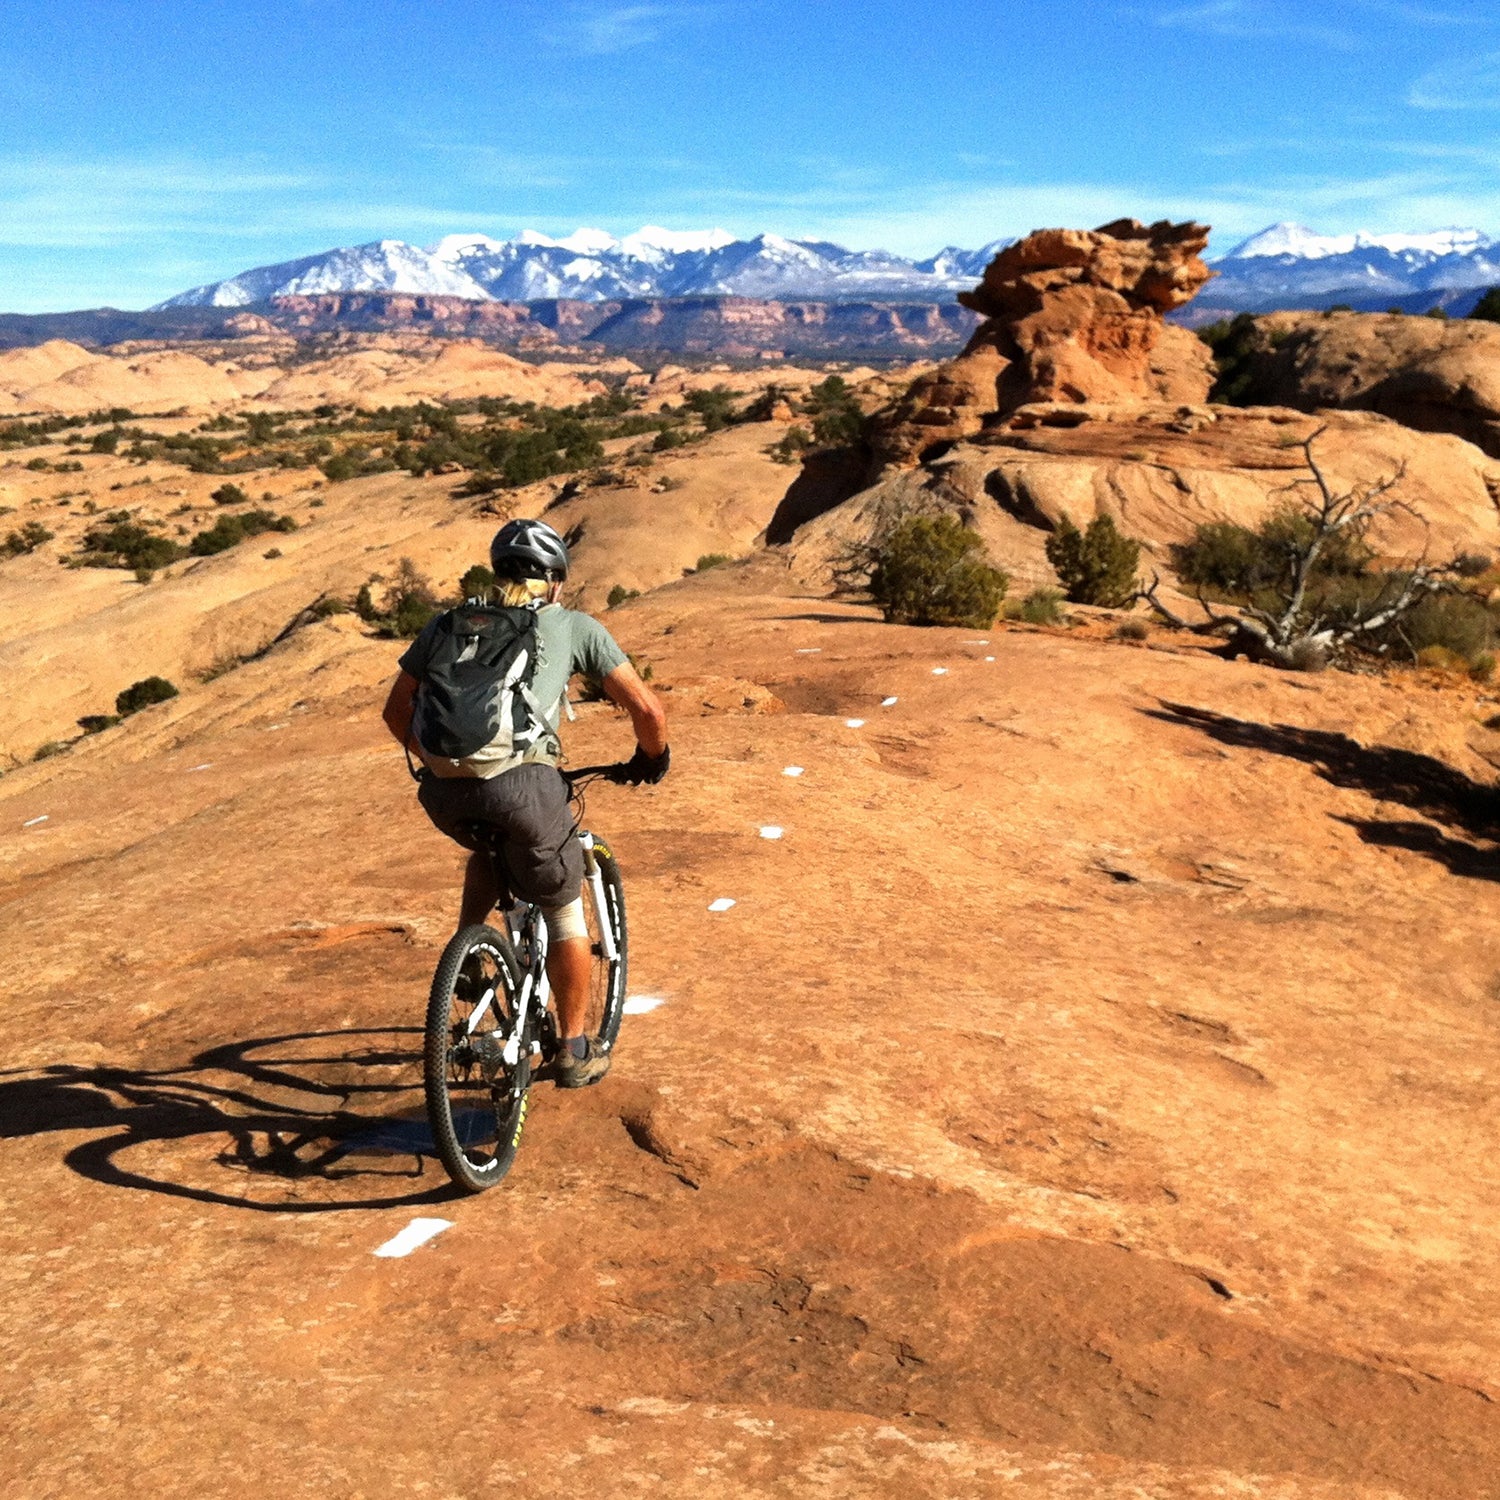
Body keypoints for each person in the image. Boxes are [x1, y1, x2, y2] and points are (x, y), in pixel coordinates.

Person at [381, 519, 669, 1087]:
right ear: (555, 582)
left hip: (442, 793)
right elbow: (649, 713)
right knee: (563, 910)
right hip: (523, 787)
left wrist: (449, 762)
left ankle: (467, 956)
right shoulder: (575, 626)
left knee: (487, 844)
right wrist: (651, 758)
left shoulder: (448, 624)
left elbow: (395, 711)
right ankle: (573, 1048)